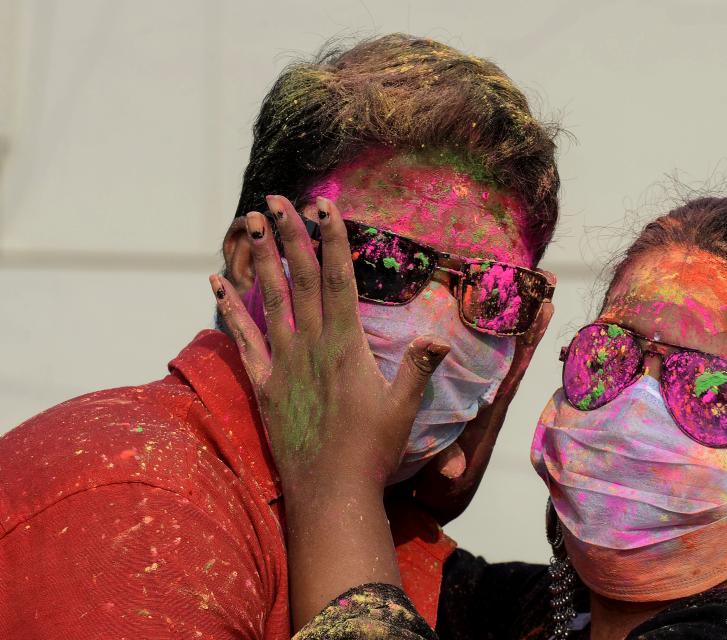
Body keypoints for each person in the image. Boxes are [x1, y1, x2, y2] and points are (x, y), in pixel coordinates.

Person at [0, 34, 559, 637]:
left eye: (495, 291)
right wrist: (349, 501)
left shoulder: (383, 518)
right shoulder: (137, 506)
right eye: (378, 261)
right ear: (248, 260)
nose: (437, 330)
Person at [222, 196, 727, 638]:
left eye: (708, 391)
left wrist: (337, 485)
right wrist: (411, 481)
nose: (631, 412)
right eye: (608, 357)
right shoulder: (547, 617)